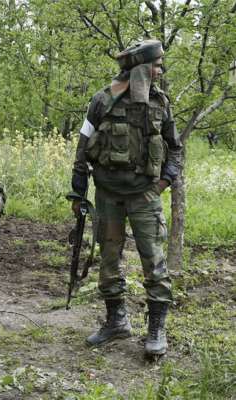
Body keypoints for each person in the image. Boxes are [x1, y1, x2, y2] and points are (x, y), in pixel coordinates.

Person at [68, 39, 182, 357]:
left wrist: (162, 183)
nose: (160, 71)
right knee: (109, 261)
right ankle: (116, 321)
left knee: (154, 263)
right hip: (107, 196)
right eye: (156, 65)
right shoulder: (101, 100)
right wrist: (78, 192)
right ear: (141, 68)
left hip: (144, 196)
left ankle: (156, 330)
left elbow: (175, 149)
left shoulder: (161, 103)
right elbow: (82, 148)